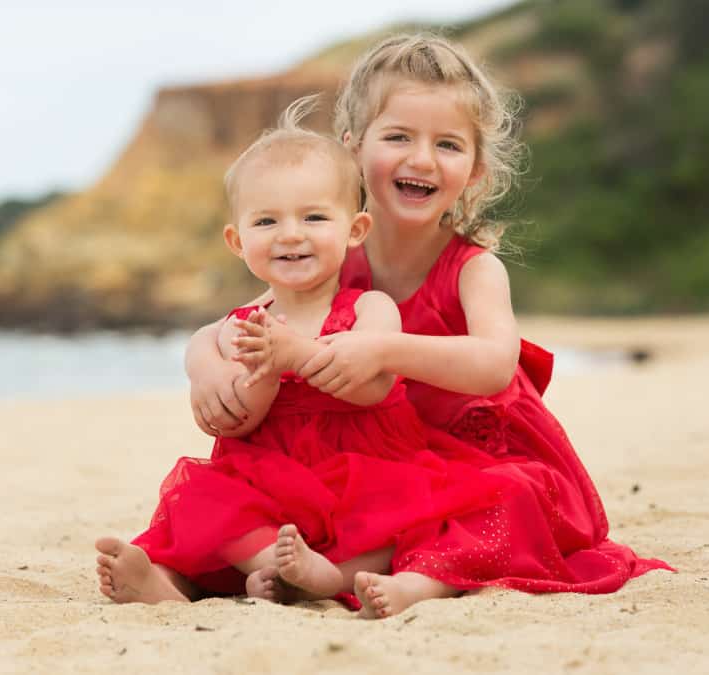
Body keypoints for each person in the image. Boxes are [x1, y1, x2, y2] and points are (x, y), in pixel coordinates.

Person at [185, 34, 672, 619]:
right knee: (258, 496)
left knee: (510, 498)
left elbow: (494, 364)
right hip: (381, 460)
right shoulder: (331, 258)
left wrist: (385, 350)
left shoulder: (472, 267)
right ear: (353, 149)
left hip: (480, 456)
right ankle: (271, 570)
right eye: (398, 137)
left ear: (475, 170)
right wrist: (204, 364)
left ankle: (393, 579)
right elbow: (247, 320)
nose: (422, 159)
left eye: (447, 144)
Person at [95, 98, 520, 605]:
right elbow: (236, 422)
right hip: (272, 485)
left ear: (354, 230)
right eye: (267, 222)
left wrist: (294, 356)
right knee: (200, 500)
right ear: (237, 240)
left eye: (314, 217)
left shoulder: (369, 307)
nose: (291, 234)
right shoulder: (240, 327)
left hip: (361, 471)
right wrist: (238, 371)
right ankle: (178, 584)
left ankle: (329, 578)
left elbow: (372, 388)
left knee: (416, 519)